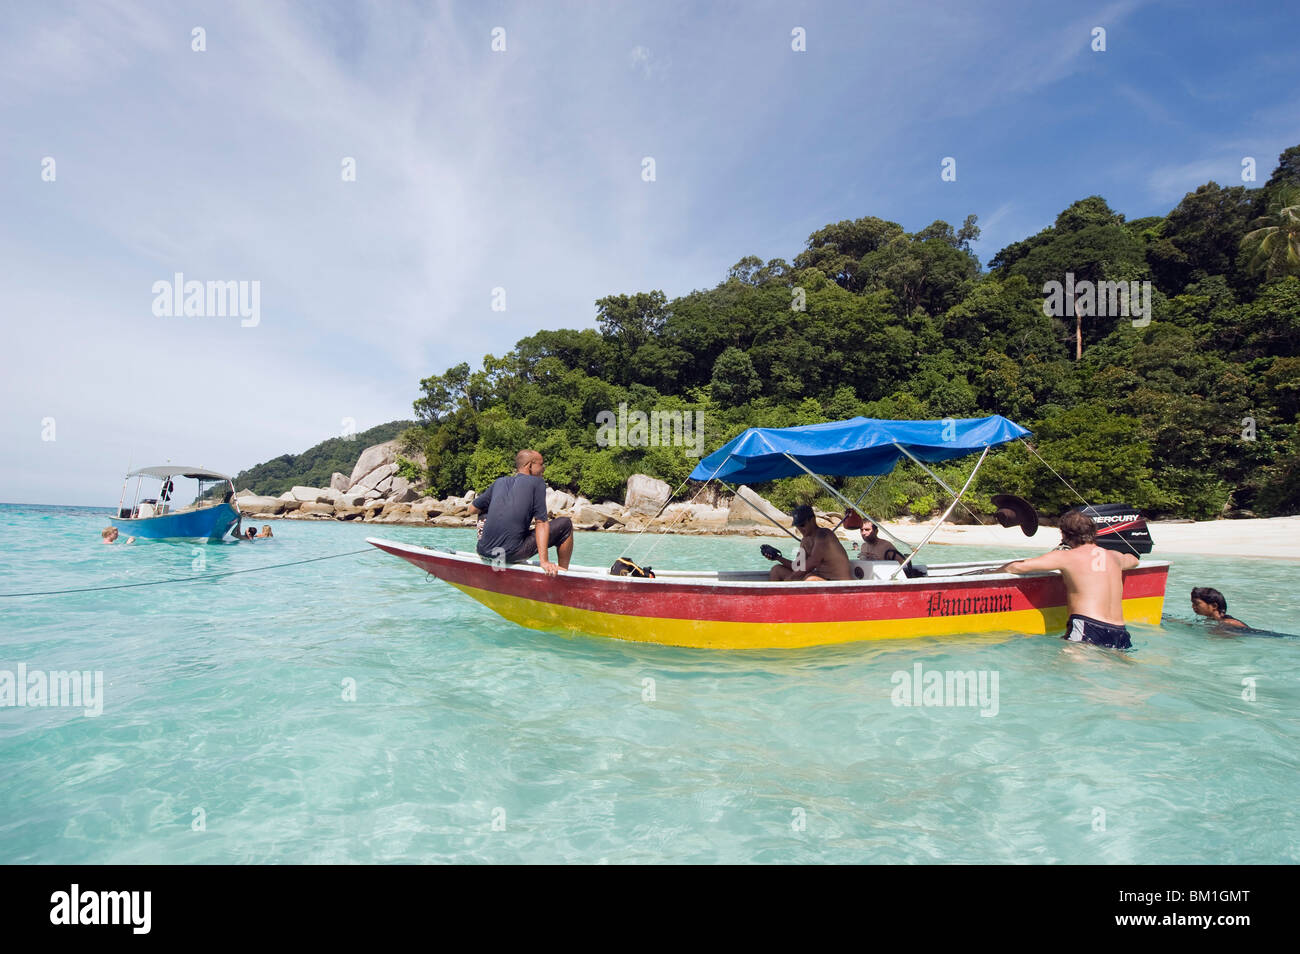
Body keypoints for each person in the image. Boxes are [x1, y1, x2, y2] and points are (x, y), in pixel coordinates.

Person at [989, 509, 1138, 649]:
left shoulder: (1066, 557)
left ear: (1064, 535)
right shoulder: (1114, 557)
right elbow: (1133, 560)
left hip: (1088, 626)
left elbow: (1018, 567)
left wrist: (992, 573)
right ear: (1094, 532)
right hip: (1120, 631)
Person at [468, 449, 573, 575]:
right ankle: (564, 573)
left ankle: (485, 544)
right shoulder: (537, 483)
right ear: (529, 466)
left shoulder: (499, 482)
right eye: (541, 464)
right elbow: (541, 522)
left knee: (484, 509)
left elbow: (472, 509)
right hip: (510, 554)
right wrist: (544, 561)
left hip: (483, 550)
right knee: (566, 524)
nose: (543, 468)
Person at [765, 505, 852, 581]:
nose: (800, 529)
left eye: (802, 525)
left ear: (812, 520)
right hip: (822, 580)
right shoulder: (805, 541)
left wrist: (791, 578)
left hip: (838, 583)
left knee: (810, 579)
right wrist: (777, 557)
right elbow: (798, 566)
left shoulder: (824, 535)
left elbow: (813, 562)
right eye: (798, 526)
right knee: (776, 570)